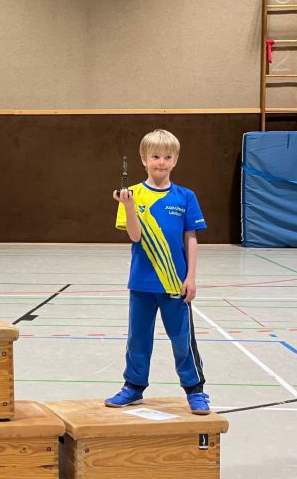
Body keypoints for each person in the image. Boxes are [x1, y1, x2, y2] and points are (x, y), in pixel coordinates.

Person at [106, 129, 210, 415]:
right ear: (143, 159)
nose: (161, 162)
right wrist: (128, 207)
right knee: (138, 339)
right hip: (141, 283)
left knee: (182, 340)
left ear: (175, 160)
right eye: (155, 156)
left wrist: (191, 277)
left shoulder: (185, 197)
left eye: (167, 157)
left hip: (175, 283)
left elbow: (191, 238)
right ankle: (133, 387)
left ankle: (195, 390)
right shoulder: (132, 195)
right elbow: (135, 236)